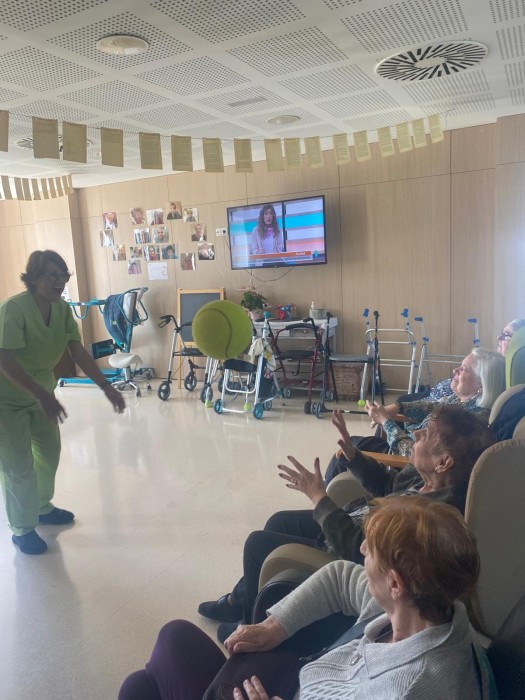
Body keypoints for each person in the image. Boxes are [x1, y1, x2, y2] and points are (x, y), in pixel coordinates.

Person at [119, 497, 493, 700]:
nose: (361, 550)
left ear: (395, 583)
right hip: (297, 679)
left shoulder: (408, 689)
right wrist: (276, 624)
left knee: (159, 659)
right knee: (148, 676)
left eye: (370, 550)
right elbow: (340, 576)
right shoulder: (431, 609)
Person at [198, 405, 496, 639]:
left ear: (444, 462)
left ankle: (250, 625)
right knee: (278, 521)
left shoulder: (432, 516)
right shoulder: (424, 478)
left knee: (257, 544)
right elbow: (388, 485)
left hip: (351, 548)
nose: (416, 433)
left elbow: (361, 550)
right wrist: (353, 455)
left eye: (427, 434)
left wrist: (319, 497)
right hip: (355, 520)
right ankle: (242, 600)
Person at [0, 250, 126, 555]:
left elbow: (77, 351)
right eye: (52, 275)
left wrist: (106, 386)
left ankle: (41, 507)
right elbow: (5, 359)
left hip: (42, 394)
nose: (59, 282)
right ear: (33, 279)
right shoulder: (13, 310)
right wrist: (41, 394)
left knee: (49, 453)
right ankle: (22, 529)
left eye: (63, 276)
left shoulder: (62, 310)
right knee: (17, 467)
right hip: (7, 400)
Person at [333, 347, 504, 463]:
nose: (455, 371)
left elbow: (414, 454)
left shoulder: (466, 420)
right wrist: (398, 408)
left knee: (344, 453)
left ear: (481, 385)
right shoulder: (460, 401)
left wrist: (386, 422)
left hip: (402, 463)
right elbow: (430, 406)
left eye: (464, 369)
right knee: (352, 445)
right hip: (401, 446)